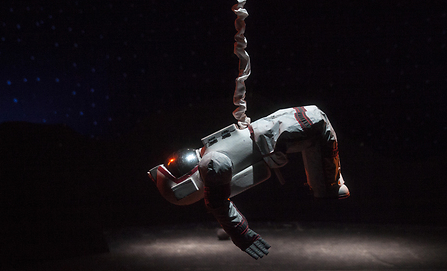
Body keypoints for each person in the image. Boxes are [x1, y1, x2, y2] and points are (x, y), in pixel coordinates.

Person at [148, 105, 349, 259]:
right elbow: (217, 203)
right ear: (185, 188)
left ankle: (326, 186)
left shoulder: (208, 158)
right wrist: (241, 233)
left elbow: (217, 202)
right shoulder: (211, 163)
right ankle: (327, 187)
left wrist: (240, 233)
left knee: (316, 118)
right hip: (268, 134)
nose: (182, 160)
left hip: (265, 132)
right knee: (317, 120)